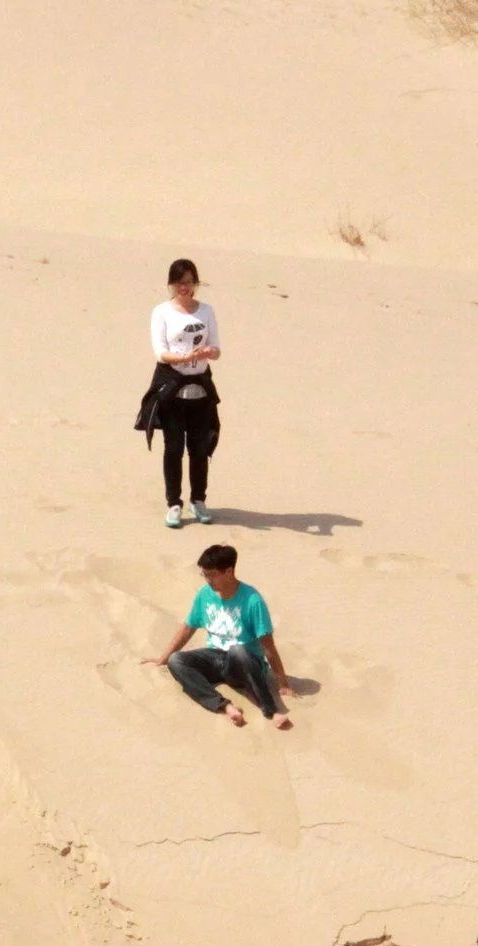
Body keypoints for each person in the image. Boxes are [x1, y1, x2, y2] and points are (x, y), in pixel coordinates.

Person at [147, 543, 291, 730]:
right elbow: (187, 628)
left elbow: (268, 646)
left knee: (238, 651)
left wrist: (283, 683)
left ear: (229, 572)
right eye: (204, 574)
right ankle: (225, 706)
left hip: (244, 663)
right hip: (214, 658)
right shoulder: (204, 595)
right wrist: (163, 659)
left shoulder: (252, 600)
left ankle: (272, 711)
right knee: (177, 661)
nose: (207, 580)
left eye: (211, 574)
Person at [138, 257, 222, 529]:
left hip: (201, 389)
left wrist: (209, 352)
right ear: (171, 284)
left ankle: (199, 500)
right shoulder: (161, 312)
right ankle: (174, 504)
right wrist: (183, 358)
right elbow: (160, 352)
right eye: (178, 282)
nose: (184, 287)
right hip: (172, 388)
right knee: (173, 448)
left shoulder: (207, 311)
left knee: (199, 448)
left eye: (188, 282)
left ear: (195, 283)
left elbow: (217, 349)